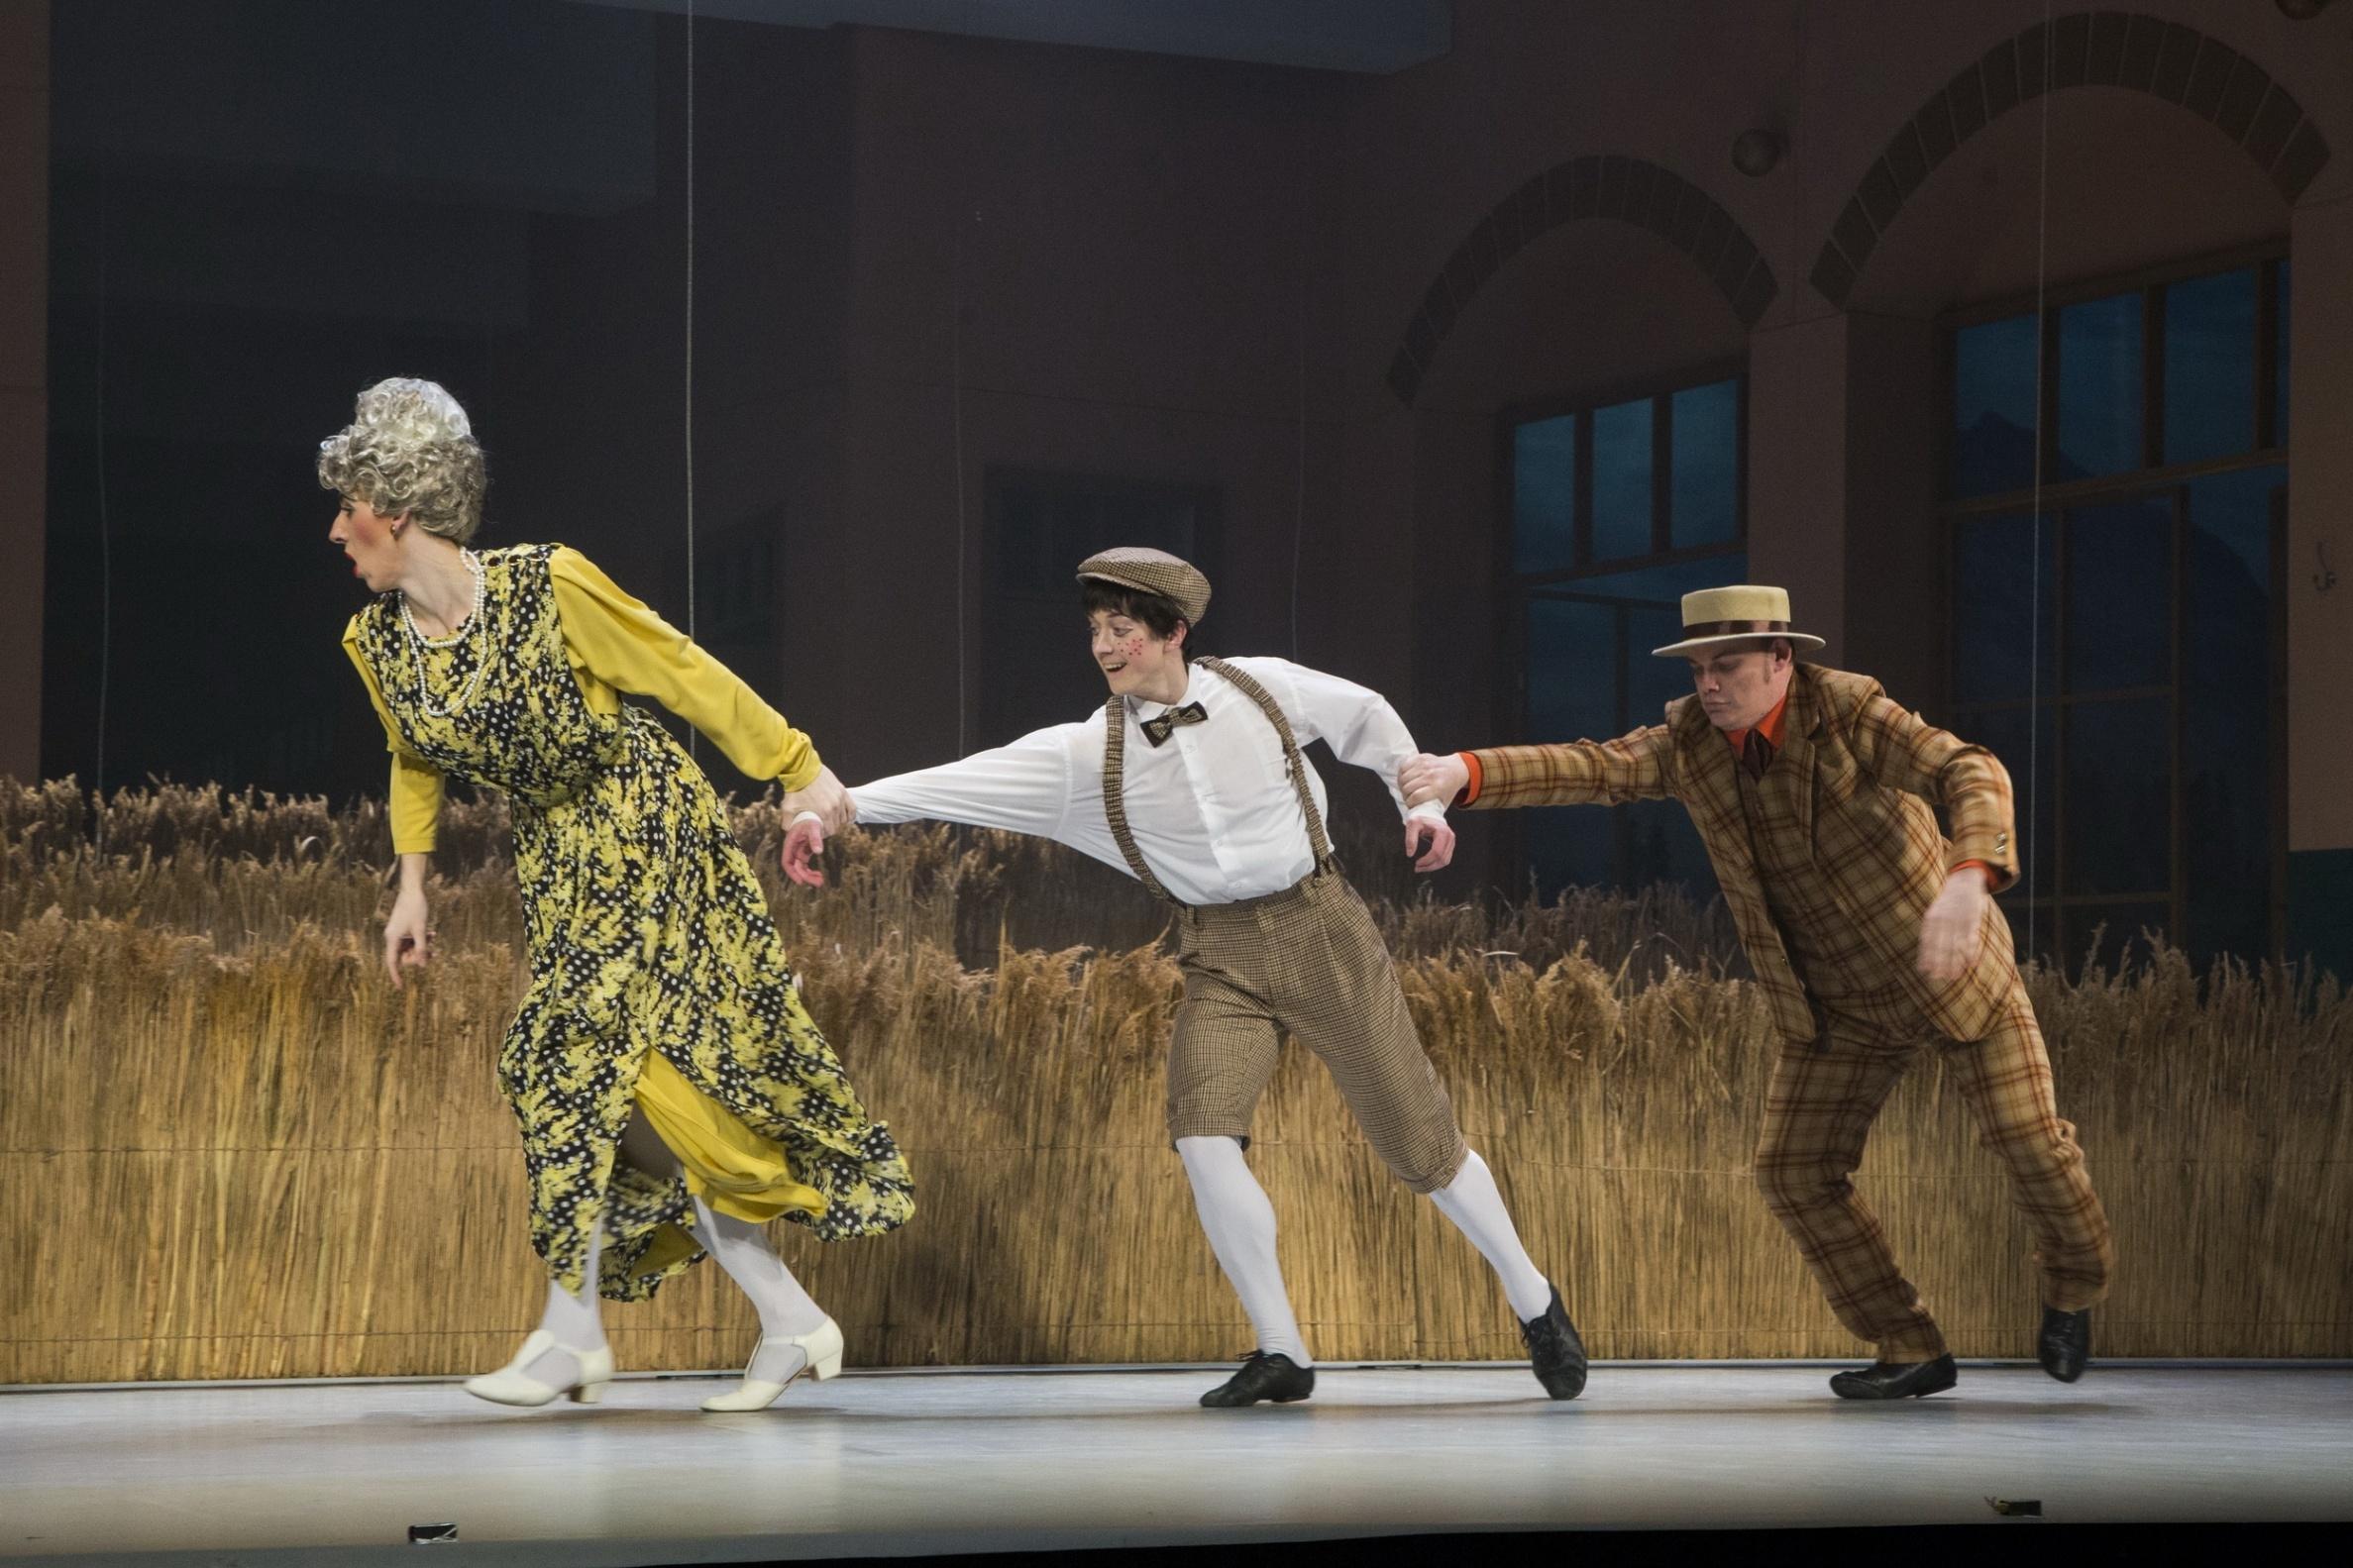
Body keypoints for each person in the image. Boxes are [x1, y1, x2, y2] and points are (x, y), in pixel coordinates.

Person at [782, 547, 1585, 1407]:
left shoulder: (1262, 688)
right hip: (1218, 953)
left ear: (1172, 632)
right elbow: (960, 783)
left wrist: (1420, 804)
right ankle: (1281, 1347)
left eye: (1120, 628)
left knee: (1418, 1142)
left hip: (1322, 931)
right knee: (1203, 1132)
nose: (1103, 645)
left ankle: (1532, 1298)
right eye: (1095, 630)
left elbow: (1369, 719)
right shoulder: (1088, 754)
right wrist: (833, 807)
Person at [326, 376, 911, 1412]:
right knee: (634, 1092)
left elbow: (678, 670)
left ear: (400, 506)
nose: (337, 531)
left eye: (349, 507)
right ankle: (784, 1317)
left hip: (645, 828)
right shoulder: (376, 643)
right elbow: (412, 760)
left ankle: (572, 1335)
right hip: (557, 863)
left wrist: (793, 764)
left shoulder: (546, 585)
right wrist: (411, 888)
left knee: (555, 1055)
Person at [1403, 584, 2112, 1400]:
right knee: (1793, 1170)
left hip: (1951, 971)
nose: (1709, 684)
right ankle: (1908, 1342)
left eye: (1727, 665)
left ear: (1781, 660)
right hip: (1837, 1007)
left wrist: (1968, 876)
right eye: (1698, 668)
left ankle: (2074, 1283)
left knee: (2031, 1145)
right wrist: (1464, 772)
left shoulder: (1846, 712)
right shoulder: (1691, 741)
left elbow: (1966, 767)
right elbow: (1594, 766)